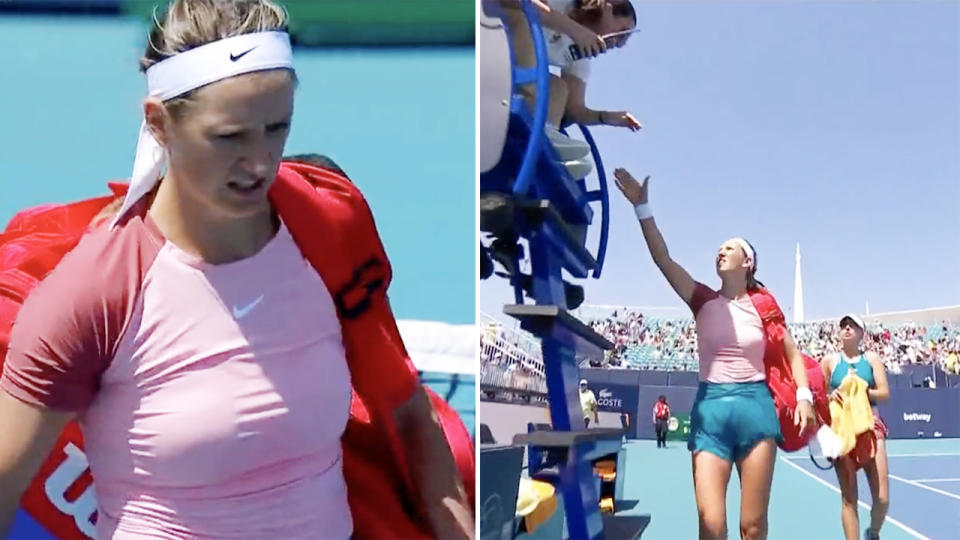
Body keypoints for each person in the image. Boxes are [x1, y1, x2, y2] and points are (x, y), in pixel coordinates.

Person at [0, 2, 473, 538]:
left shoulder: (329, 227)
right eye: (230, 138)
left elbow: (409, 412)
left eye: (277, 128)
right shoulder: (92, 291)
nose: (260, 162)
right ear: (159, 123)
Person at [613, 168, 815, 540]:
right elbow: (664, 260)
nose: (721, 251)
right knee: (711, 526)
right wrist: (643, 208)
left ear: (748, 262)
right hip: (711, 414)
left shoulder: (765, 305)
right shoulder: (701, 299)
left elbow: (791, 353)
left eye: (730, 248)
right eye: (718, 248)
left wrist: (803, 396)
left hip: (756, 411)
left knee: (752, 528)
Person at [498, 0, 642, 179]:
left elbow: (575, 110)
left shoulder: (579, 56)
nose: (620, 44)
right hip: (486, 33)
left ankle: (546, 138)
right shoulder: (563, 3)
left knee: (559, 88)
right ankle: (538, 134)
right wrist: (573, 29)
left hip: (506, 74)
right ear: (607, 8)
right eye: (622, 33)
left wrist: (606, 117)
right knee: (523, 18)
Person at [821, 314, 890, 540]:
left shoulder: (871, 359)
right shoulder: (830, 361)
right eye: (843, 325)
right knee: (849, 498)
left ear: (861, 333)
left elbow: (884, 393)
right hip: (842, 431)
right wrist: (833, 395)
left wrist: (859, 390)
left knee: (882, 499)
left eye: (852, 326)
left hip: (871, 426)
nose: (847, 329)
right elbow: (819, 396)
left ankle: (874, 532)